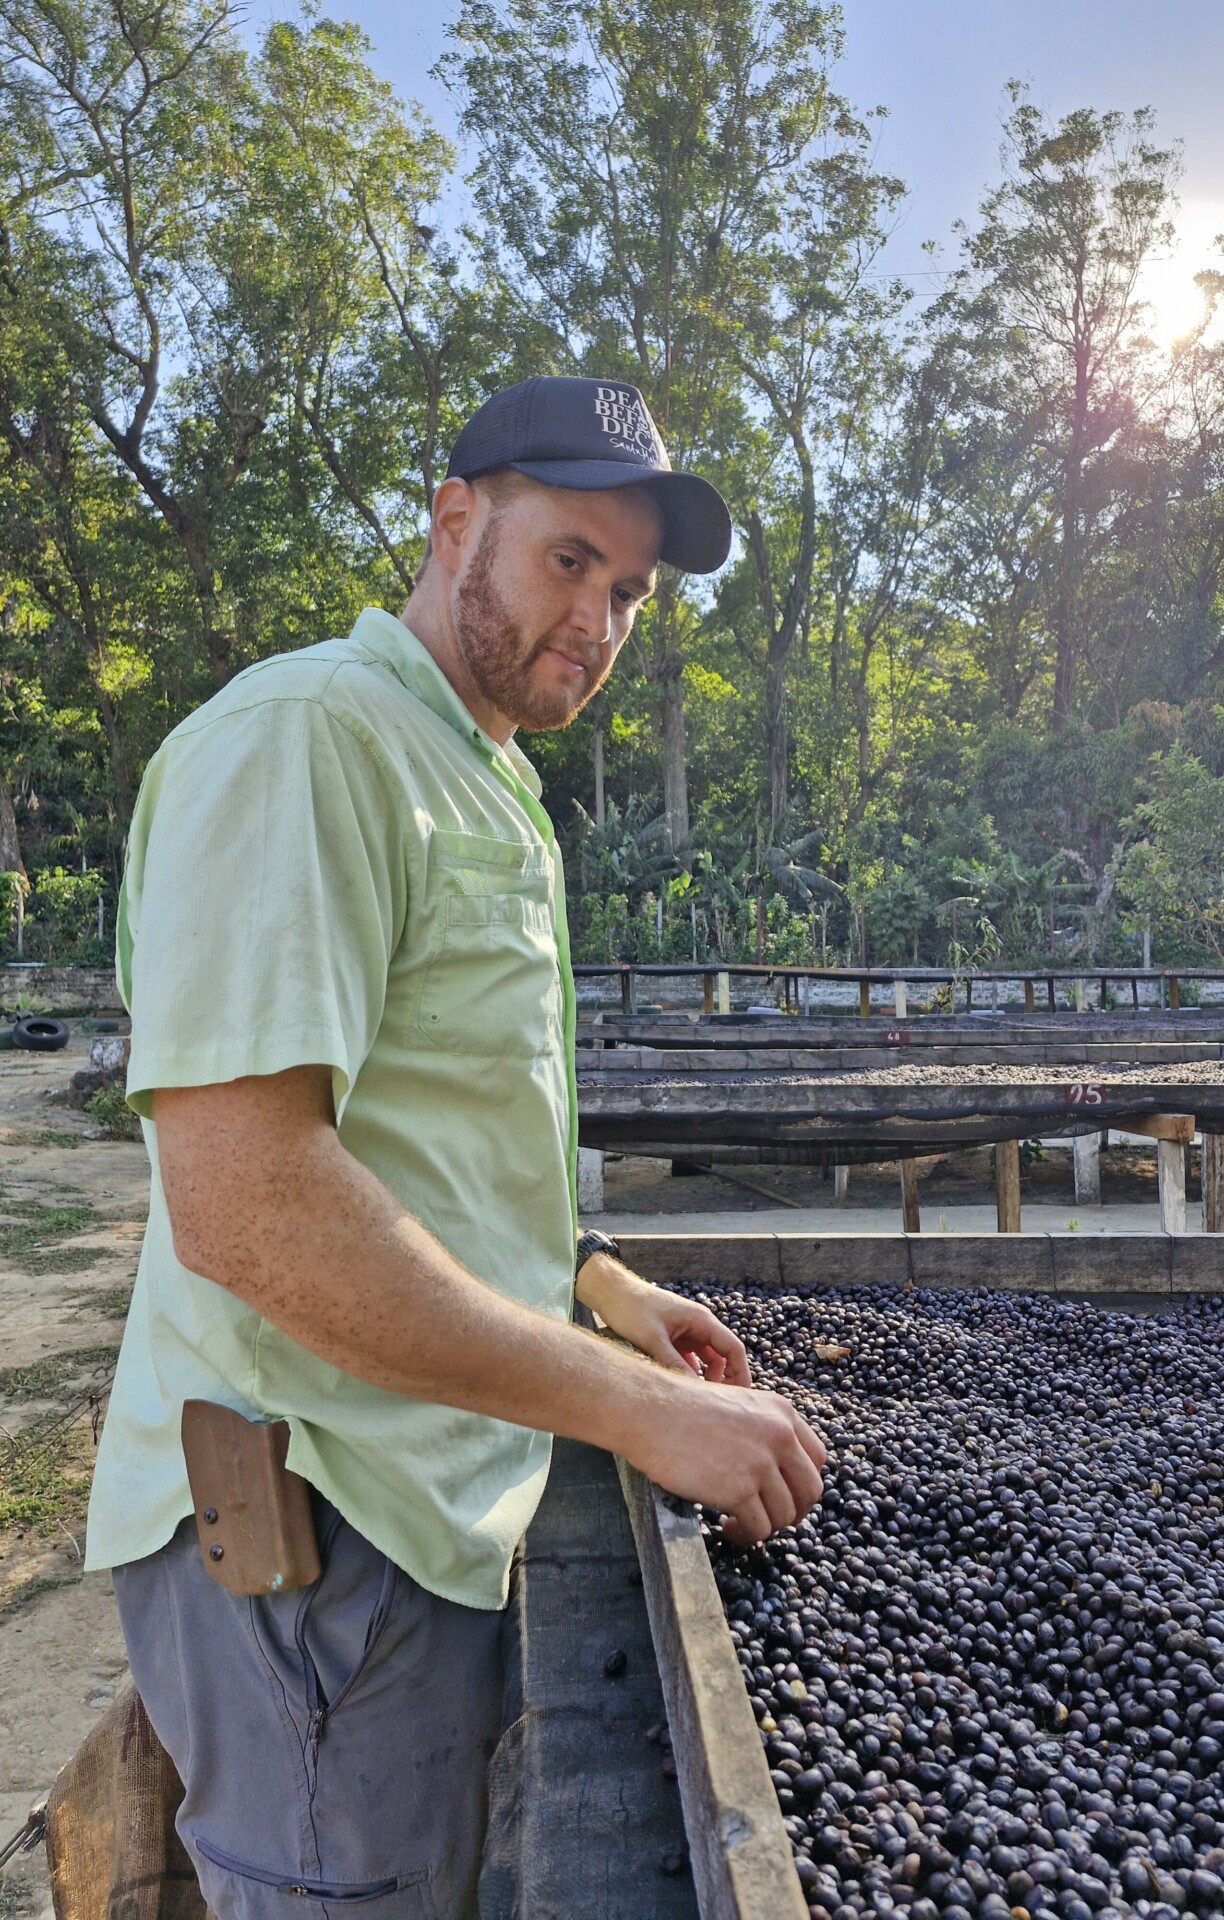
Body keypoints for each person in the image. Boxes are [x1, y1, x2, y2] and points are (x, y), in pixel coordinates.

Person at [85, 375, 826, 1918]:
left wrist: (595, 1279)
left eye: (628, 591)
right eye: (571, 560)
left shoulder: (482, 775)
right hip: (312, 1537)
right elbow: (248, 1202)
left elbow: (435, 1136)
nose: (604, 619)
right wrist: (631, 1409)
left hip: (425, 1495)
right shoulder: (305, 744)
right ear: (453, 521)